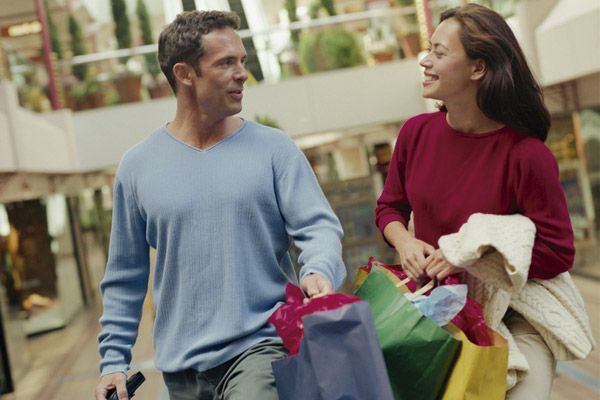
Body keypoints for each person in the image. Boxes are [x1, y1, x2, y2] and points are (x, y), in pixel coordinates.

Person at [94, 10, 346, 400]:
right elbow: (125, 275)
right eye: (226, 63)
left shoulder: (274, 149)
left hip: (261, 346)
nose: (242, 73)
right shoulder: (137, 167)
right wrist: (113, 361)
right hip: (179, 369)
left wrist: (319, 268)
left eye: (242, 61)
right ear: (185, 73)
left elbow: (318, 228)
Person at [375, 4, 575, 399]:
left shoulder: (526, 155)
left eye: (439, 53)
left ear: (477, 68)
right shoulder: (416, 134)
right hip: (442, 312)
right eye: (428, 49)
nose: (425, 61)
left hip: (517, 315)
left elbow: (559, 252)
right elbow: (390, 208)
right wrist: (405, 242)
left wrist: (469, 255)